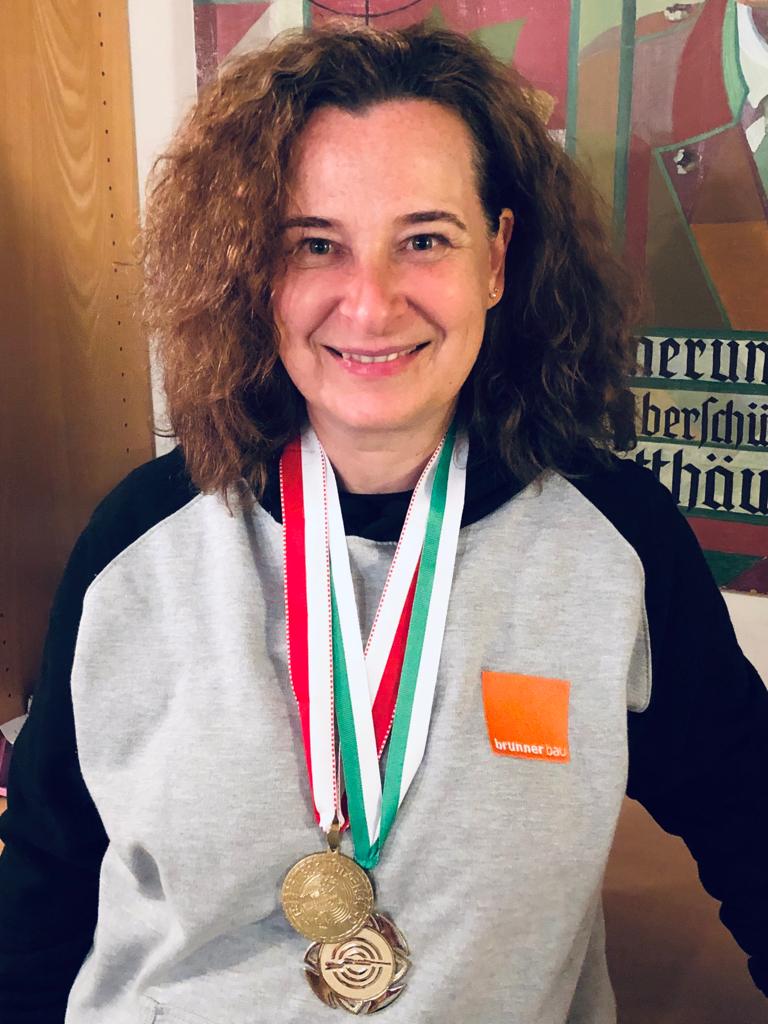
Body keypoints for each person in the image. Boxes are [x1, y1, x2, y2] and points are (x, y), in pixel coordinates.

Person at [0, 19, 766, 1024]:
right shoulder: (138, 543)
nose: (369, 304)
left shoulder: (614, 543)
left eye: (424, 239)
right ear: (257, 270)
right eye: (316, 244)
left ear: (496, 258)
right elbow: (43, 889)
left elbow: (750, 815)